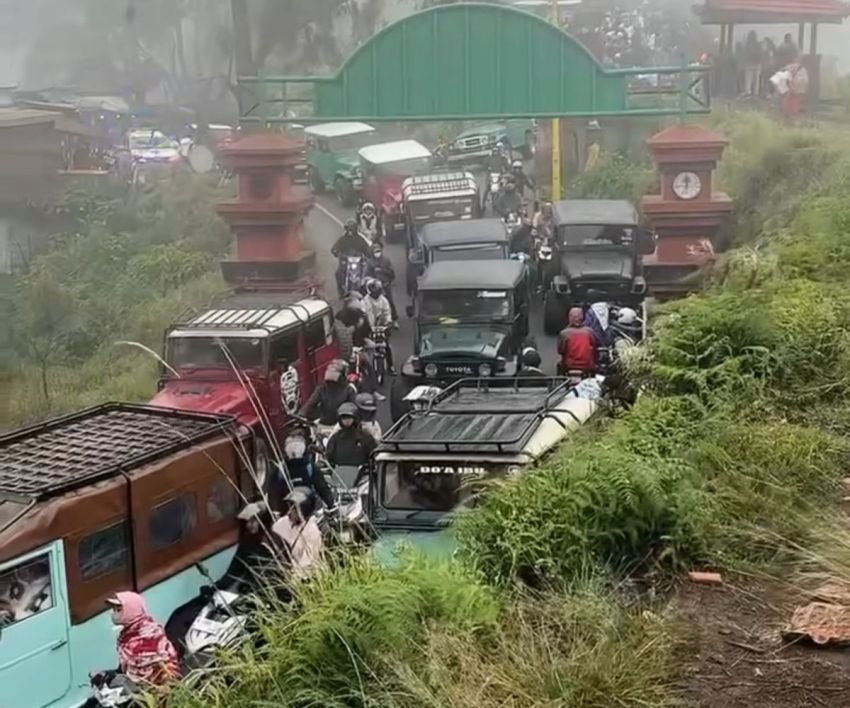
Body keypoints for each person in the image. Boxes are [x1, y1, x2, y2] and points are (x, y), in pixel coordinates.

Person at [91, 592, 178, 700]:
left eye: (119, 610)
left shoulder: (148, 637)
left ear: (131, 610)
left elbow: (144, 677)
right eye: (114, 610)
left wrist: (113, 677)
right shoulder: (128, 634)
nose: (114, 614)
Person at [272, 489, 324, 581]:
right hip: (276, 575)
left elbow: (305, 565)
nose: (290, 512)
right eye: (289, 507)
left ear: (305, 510)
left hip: (303, 581)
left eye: (295, 508)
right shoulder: (281, 524)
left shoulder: (312, 533)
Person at [277, 430, 336, 509]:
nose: (295, 450)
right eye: (291, 447)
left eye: (297, 446)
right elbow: (274, 490)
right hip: (289, 506)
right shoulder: (282, 469)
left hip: (309, 505)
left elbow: (322, 487)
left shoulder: (309, 466)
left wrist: (330, 503)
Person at [298, 360, 356, 426]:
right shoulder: (322, 388)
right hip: (324, 423)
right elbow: (311, 402)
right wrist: (301, 414)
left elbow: (354, 409)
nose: (331, 384)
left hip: (341, 425)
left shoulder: (349, 390)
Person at [326, 402, 377, 469]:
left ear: (355, 418)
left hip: (362, 475)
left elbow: (374, 454)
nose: (346, 421)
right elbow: (329, 456)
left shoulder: (365, 436)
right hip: (339, 475)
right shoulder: (335, 438)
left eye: (349, 418)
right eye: (344, 418)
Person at [362, 279, 396, 375]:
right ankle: (364, 368)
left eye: (379, 289)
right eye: (376, 290)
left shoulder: (384, 301)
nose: (378, 292)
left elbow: (387, 312)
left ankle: (390, 366)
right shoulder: (364, 302)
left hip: (382, 327)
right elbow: (363, 314)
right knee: (365, 348)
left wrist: (388, 322)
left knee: (387, 346)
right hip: (369, 328)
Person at [332, 219, 371, 296]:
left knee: (368, 272)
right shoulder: (342, 239)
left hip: (359, 262)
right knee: (338, 274)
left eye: (352, 229)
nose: (350, 231)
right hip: (346, 262)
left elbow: (367, 249)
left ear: (355, 229)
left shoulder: (360, 239)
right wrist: (336, 253)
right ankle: (341, 291)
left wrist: (368, 254)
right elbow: (334, 248)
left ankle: (366, 289)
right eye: (349, 229)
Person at [557, 307, 599, 376]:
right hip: (587, 366)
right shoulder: (589, 332)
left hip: (569, 366)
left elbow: (561, 350)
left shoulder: (564, 333)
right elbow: (596, 345)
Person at [367, 242, 397, 321]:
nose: (377, 253)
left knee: (390, 302)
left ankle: (394, 319)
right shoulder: (369, 262)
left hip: (385, 285)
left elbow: (391, 273)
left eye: (378, 251)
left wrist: (382, 271)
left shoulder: (386, 261)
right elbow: (366, 274)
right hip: (374, 287)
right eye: (375, 252)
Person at [743, 30, 763, 97]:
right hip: (751, 64)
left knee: (754, 80)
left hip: (755, 64)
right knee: (750, 80)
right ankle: (750, 93)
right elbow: (745, 54)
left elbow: (760, 54)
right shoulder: (749, 45)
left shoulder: (755, 44)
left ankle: (753, 93)